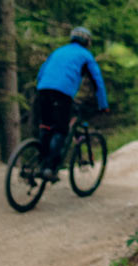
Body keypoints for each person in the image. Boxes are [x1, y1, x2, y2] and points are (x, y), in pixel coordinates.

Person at [34, 25, 109, 180]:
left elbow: (41, 73)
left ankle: (40, 161)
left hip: (43, 90)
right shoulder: (86, 56)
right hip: (62, 94)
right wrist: (103, 105)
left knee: (46, 126)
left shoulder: (58, 51)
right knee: (61, 130)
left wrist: (42, 88)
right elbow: (98, 82)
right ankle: (49, 168)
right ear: (87, 42)